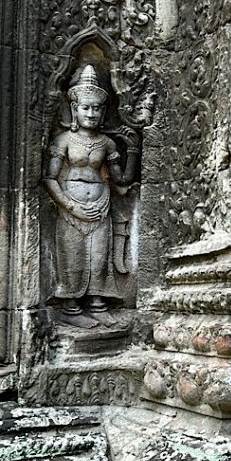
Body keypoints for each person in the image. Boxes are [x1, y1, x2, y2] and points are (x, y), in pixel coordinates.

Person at [43, 65, 138, 327]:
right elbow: (50, 178)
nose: (91, 114)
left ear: (103, 112)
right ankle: (71, 309)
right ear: (75, 109)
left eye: (96, 109)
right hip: (71, 208)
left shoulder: (107, 143)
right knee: (73, 259)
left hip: (100, 207)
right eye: (85, 108)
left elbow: (121, 179)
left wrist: (132, 150)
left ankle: (97, 305)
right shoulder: (64, 140)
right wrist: (71, 206)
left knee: (99, 260)